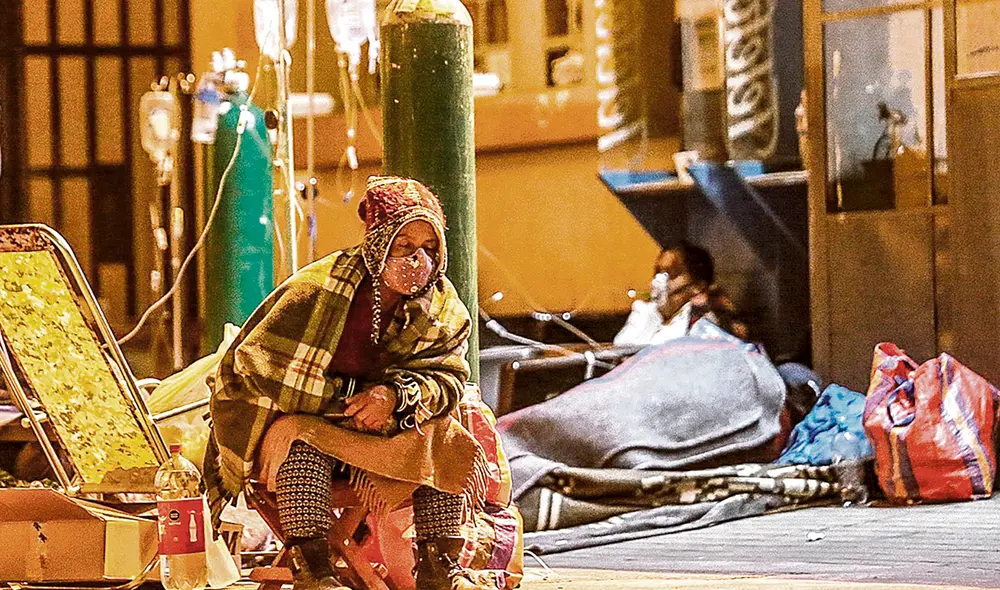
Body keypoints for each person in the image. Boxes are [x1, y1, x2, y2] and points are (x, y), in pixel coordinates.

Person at [206, 176, 521, 590]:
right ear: (379, 244)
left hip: (382, 424)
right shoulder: (315, 291)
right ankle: (313, 570)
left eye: (429, 249)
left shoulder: (443, 305)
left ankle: (440, 572)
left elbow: (448, 378)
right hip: (299, 417)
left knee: (445, 439)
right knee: (302, 445)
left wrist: (396, 397)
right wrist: (354, 404)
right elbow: (261, 368)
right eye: (405, 247)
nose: (417, 260)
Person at [614, 241, 747, 347]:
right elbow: (622, 349)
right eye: (658, 272)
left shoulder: (702, 322)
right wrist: (656, 314)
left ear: (697, 286)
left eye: (672, 274)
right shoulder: (645, 312)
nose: (660, 280)